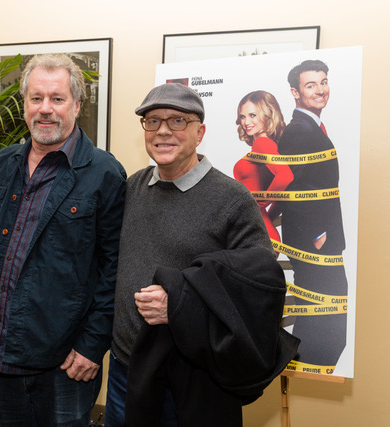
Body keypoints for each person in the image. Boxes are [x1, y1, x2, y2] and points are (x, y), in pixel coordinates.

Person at [106, 82, 298, 426]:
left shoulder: (233, 200)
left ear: (200, 131)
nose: (163, 131)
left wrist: (180, 306)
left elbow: (259, 292)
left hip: (193, 380)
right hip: (126, 371)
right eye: (152, 121)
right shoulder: (132, 187)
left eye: (177, 121)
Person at [0, 53, 126, 425]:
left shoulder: (104, 173)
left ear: (76, 106)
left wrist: (93, 345)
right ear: (25, 104)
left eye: (57, 99)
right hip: (2, 358)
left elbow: (116, 269)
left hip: (68, 365)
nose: (45, 109)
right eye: (36, 98)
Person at [278, 59, 348, 369]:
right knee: (326, 321)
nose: (320, 90)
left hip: (321, 244)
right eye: (311, 85)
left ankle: (304, 365)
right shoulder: (299, 132)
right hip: (316, 246)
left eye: (323, 82)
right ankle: (306, 368)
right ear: (295, 92)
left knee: (322, 318)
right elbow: (296, 189)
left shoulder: (310, 127)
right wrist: (318, 236)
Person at [233, 90, 293, 243]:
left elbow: (285, 176)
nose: (246, 122)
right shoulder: (266, 146)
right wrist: (263, 213)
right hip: (258, 229)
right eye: (242, 116)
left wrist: (259, 204)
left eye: (253, 115)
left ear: (268, 115)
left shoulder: (262, 143)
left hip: (257, 234)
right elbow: (280, 196)